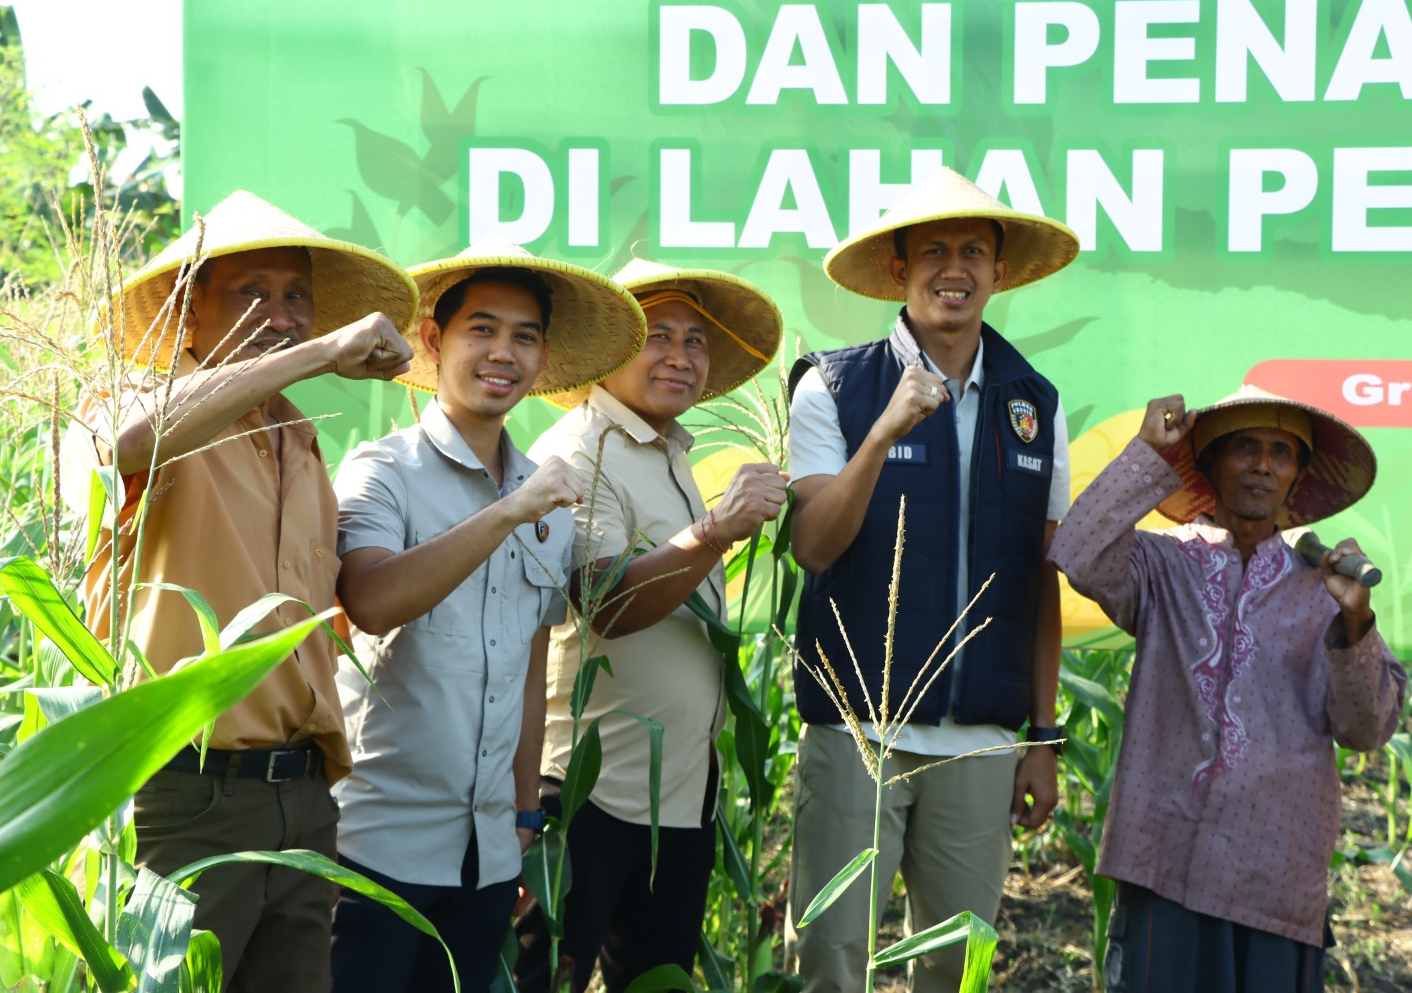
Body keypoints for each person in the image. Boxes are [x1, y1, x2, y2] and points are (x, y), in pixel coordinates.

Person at [65, 191, 418, 990]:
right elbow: (127, 446)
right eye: (252, 292)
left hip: (299, 799)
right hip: (184, 794)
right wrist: (319, 353)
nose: (283, 314)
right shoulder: (129, 403)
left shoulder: (303, 440)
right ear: (189, 312)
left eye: (298, 296)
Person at [784, 167, 1080, 993]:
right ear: (897, 269)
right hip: (859, 732)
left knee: (955, 973)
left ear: (1001, 271)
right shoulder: (834, 386)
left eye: (974, 253)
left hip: (980, 745)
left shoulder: (1034, 402)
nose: (956, 269)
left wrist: (1043, 739)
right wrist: (881, 434)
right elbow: (812, 544)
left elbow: (1038, 579)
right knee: (832, 966)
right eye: (935, 251)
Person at [328, 241, 646, 992]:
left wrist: (523, 821)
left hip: (487, 855)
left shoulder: (547, 494)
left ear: (542, 357)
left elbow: (531, 665)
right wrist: (508, 514)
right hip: (375, 846)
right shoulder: (382, 471)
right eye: (482, 329)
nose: (503, 352)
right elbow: (370, 602)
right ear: (435, 341)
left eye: (525, 336)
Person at [1049, 386, 1407, 992]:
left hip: (1275, 880)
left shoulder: (1323, 588)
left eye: (1281, 453)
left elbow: (1365, 729)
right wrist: (1147, 451)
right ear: (1209, 465)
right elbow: (1078, 553)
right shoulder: (1163, 566)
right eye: (1244, 447)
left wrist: (1353, 622)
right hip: (1163, 862)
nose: (1263, 464)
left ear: (1296, 477)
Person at [514, 258, 784, 993]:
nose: (680, 355)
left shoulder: (667, 453)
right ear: (608, 350)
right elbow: (602, 602)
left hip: (677, 800)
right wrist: (715, 532)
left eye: (695, 341)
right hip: (584, 797)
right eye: (656, 335)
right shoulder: (580, 450)